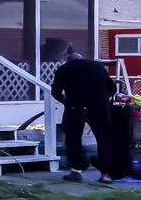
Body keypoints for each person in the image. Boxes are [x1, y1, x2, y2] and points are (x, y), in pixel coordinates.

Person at [49, 50, 115, 182]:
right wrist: (101, 100)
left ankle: (76, 170)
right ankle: (106, 174)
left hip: (75, 107)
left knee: (72, 137)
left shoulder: (65, 68)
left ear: (68, 60)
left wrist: (66, 102)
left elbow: (56, 92)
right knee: (103, 138)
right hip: (98, 107)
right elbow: (112, 88)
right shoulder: (97, 67)